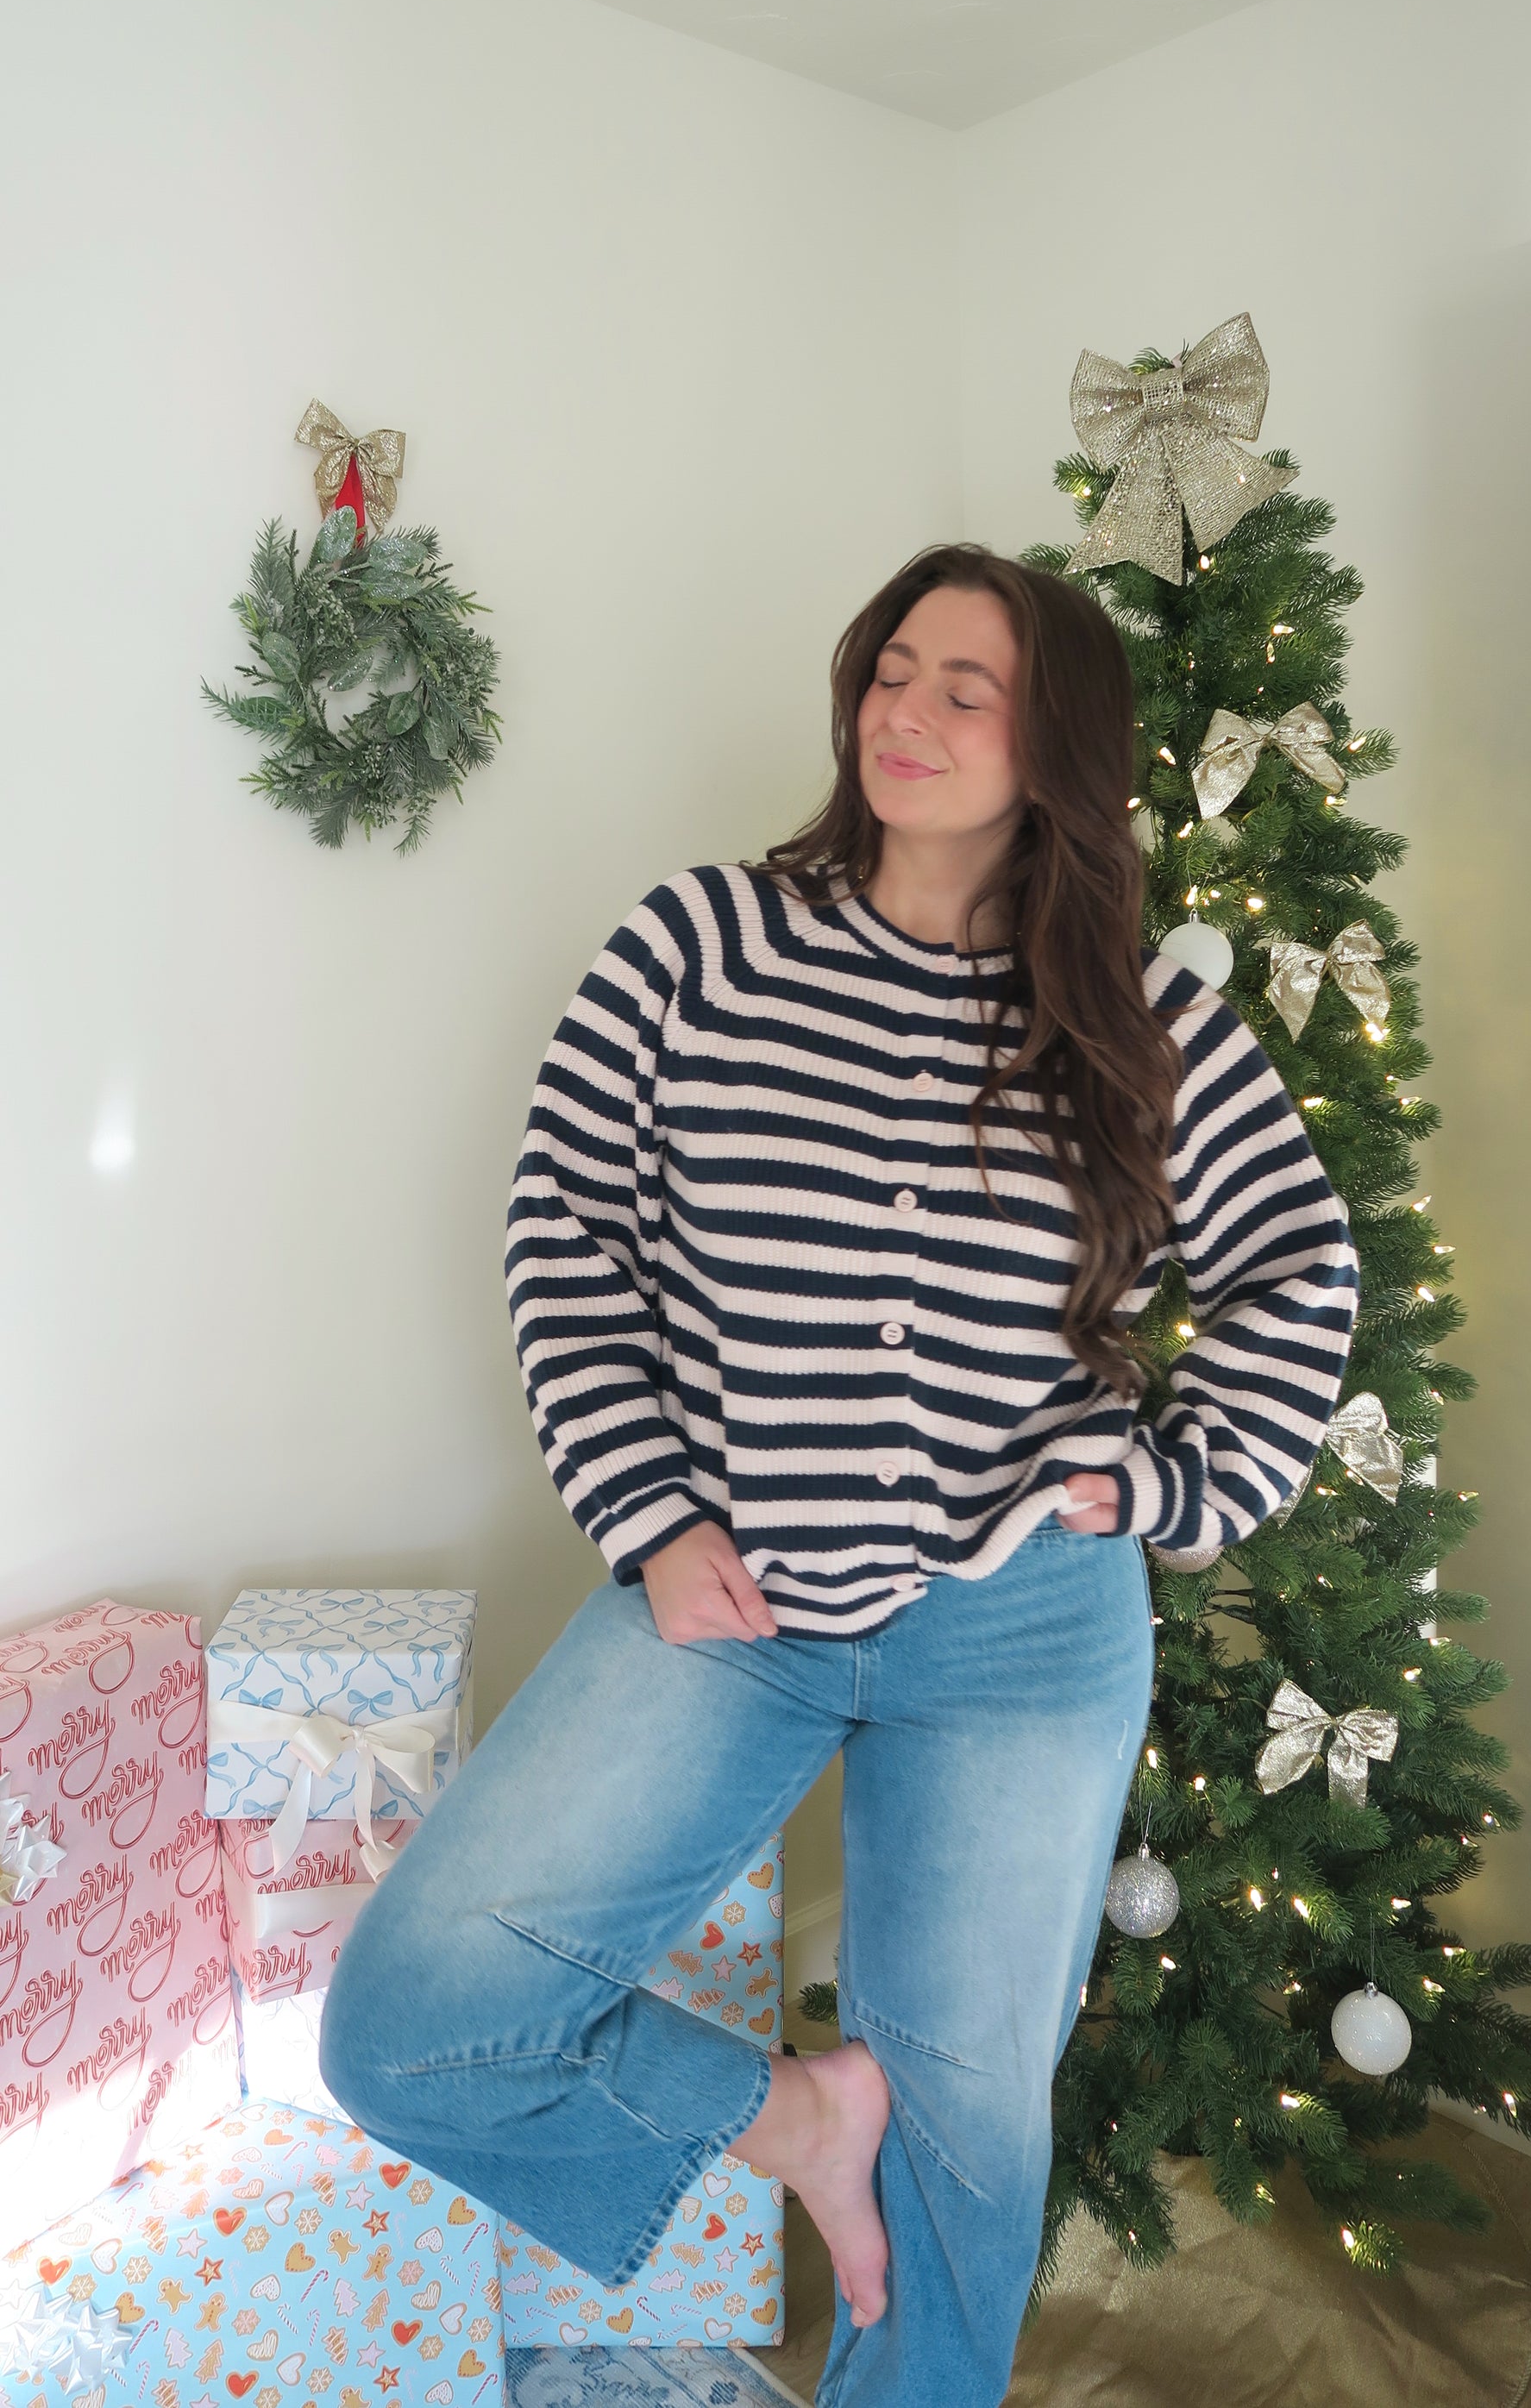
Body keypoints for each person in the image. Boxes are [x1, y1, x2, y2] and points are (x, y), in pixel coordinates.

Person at [320, 543, 1358, 2406]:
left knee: (966, 2147)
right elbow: (566, 1230)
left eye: (969, 686)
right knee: (412, 2018)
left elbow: (1300, 1264)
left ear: (1054, 745)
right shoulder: (699, 942)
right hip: (736, 1591)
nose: (910, 710)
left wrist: (1167, 1485)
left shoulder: (1140, 1018)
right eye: (893, 668)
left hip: (1024, 1631)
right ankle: (804, 2122)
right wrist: (648, 1509)